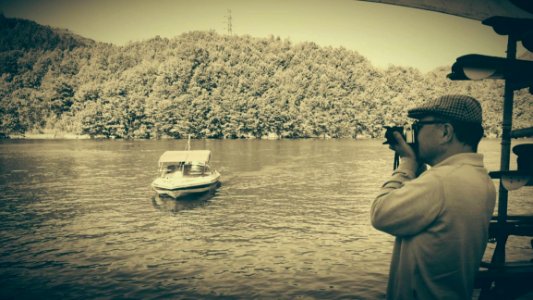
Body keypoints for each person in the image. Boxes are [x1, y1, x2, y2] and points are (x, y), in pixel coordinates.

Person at [370, 94, 496, 299]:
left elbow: (380, 214)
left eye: (418, 127)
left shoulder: (440, 181)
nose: (414, 134)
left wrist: (407, 164)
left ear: (445, 132)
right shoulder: (480, 178)